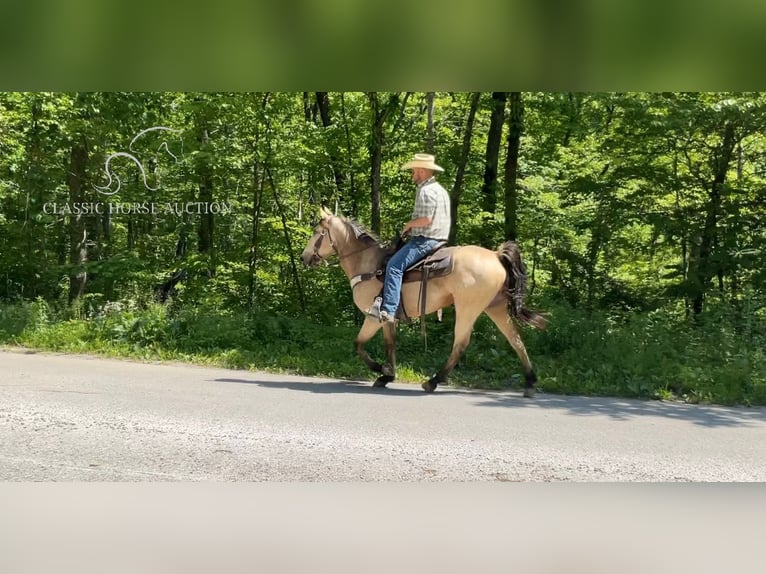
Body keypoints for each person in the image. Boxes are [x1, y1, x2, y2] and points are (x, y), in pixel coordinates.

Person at [366, 153, 451, 323]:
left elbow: (426, 220)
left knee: (394, 266)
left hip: (426, 240)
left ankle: (389, 310)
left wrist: (409, 224)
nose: (413, 175)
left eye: (413, 171)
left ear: (421, 171)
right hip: (440, 239)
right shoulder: (440, 190)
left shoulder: (425, 191)